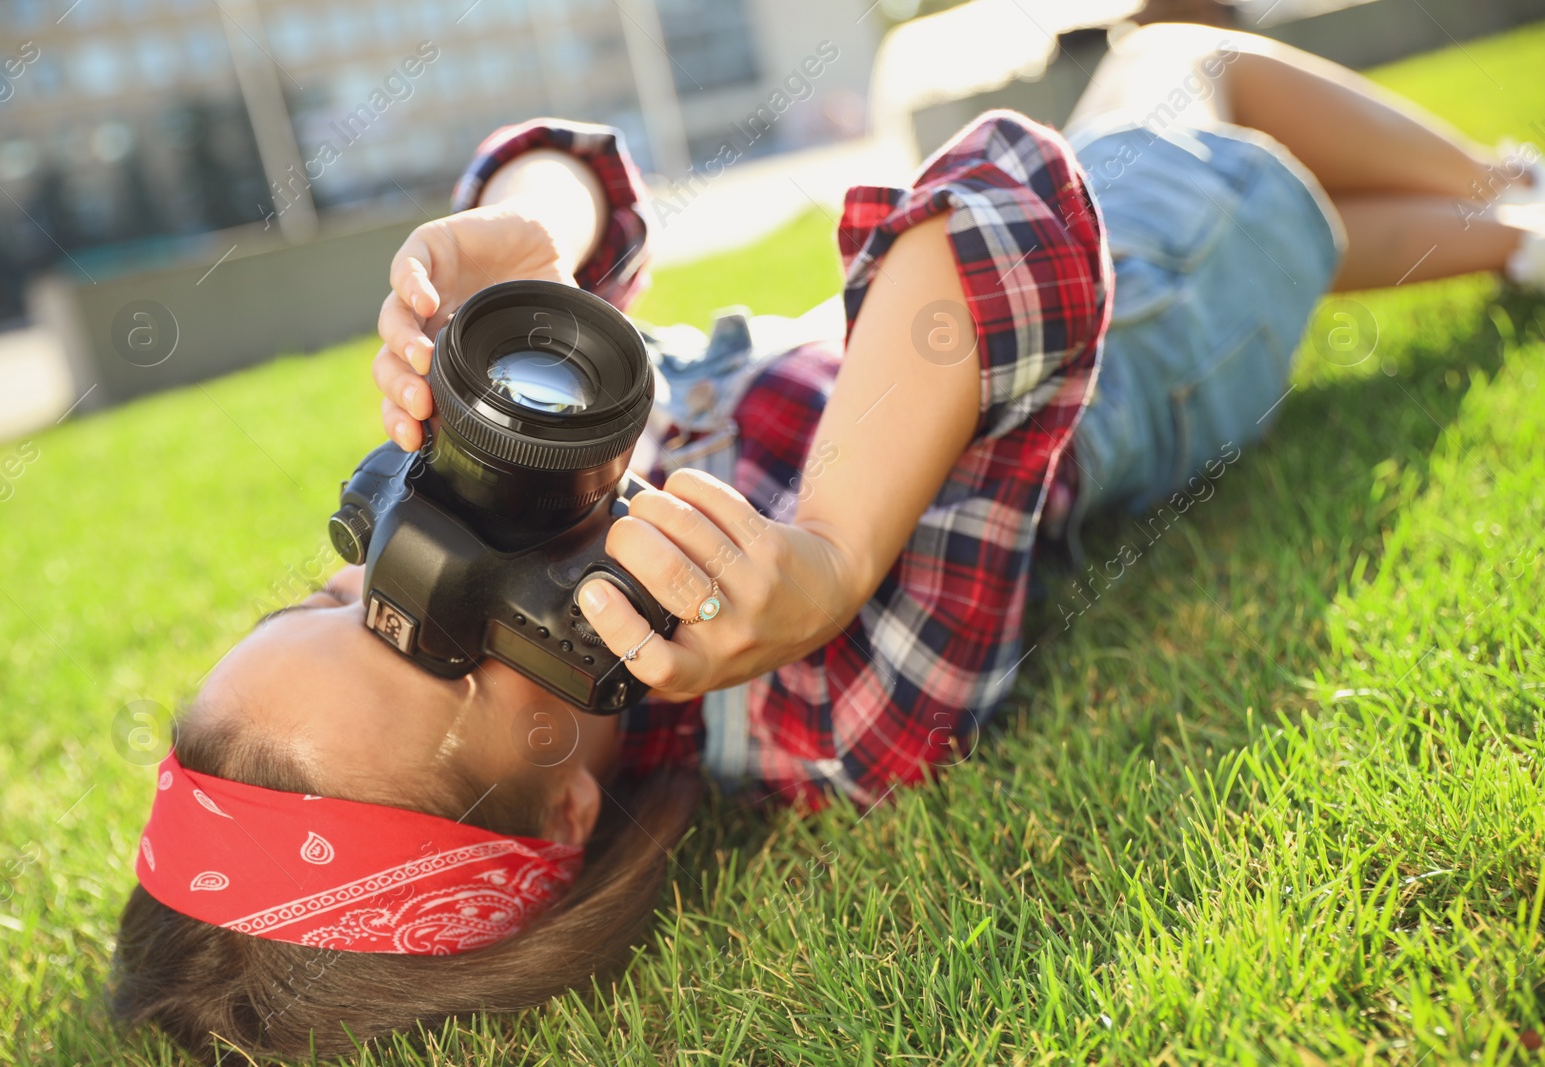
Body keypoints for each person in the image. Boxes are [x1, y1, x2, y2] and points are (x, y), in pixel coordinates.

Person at [110, 22, 1545, 1061]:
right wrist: (836, 557)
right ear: (562, 816)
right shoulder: (832, 707)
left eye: (341, 583)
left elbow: (583, 221)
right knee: (1200, 74)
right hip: (1145, 328)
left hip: (1167, 267)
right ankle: (1505, 189)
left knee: (1269, 198)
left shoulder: (606, 521)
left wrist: (510, 235)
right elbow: (999, 207)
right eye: (459, 648)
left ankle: (1513, 218)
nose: (426, 551)